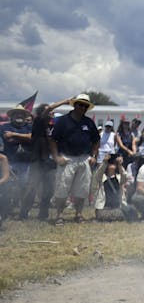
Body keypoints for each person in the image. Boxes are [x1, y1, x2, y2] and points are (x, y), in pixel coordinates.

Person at [49, 94, 100, 224]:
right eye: (80, 104)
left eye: (85, 106)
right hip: (66, 157)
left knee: (82, 190)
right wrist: (56, 157)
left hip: (84, 158)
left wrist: (94, 156)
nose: (82, 107)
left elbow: (96, 140)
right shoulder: (63, 121)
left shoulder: (89, 122)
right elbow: (53, 140)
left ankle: (79, 214)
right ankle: (59, 215)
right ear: (74, 105)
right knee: (62, 189)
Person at [19, 99, 67, 220]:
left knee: (49, 189)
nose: (51, 113)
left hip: (49, 162)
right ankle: (24, 213)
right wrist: (66, 101)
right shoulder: (39, 121)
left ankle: (43, 214)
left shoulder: (51, 127)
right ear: (42, 112)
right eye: (49, 111)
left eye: (52, 112)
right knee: (32, 187)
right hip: (37, 161)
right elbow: (49, 108)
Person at [0, 104, 33, 216]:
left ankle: (23, 212)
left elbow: (32, 137)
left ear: (25, 116)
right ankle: (5, 210)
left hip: (26, 163)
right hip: (9, 162)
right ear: (12, 116)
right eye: (16, 113)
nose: (19, 115)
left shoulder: (30, 127)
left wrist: (14, 134)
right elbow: (4, 138)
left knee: (24, 186)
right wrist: (24, 137)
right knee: (7, 187)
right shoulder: (4, 127)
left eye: (22, 114)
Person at [90, 154, 137, 222]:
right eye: (110, 163)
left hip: (117, 207)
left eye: (114, 163)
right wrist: (105, 162)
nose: (112, 164)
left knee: (129, 210)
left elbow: (125, 176)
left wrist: (120, 165)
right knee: (103, 214)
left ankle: (111, 218)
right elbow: (98, 174)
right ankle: (110, 218)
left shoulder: (119, 177)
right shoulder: (102, 177)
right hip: (104, 208)